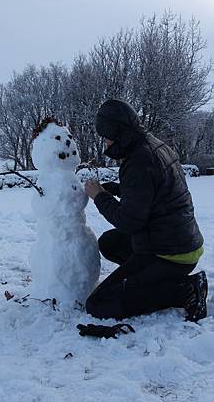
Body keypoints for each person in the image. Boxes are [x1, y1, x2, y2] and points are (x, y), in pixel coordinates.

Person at [84, 99, 207, 323]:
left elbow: (129, 222)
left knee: (98, 305)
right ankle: (149, 280)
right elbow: (151, 191)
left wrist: (100, 197)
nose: (106, 143)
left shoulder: (139, 161)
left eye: (107, 137)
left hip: (171, 254)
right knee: (109, 242)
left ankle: (185, 290)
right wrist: (115, 189)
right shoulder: (152, 146)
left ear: (118, 133)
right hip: (179, 242)